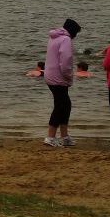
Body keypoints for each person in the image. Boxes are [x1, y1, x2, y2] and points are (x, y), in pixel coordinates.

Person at [43, 18, 81, 148]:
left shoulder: (54, 37)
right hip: (59, 78)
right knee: (61, 106)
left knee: (65, 104)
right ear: (73, 32)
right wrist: (69, 76)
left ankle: (64, 136)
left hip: (50, 75)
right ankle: (50, 137)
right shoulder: (66, 39)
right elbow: (65, 61)